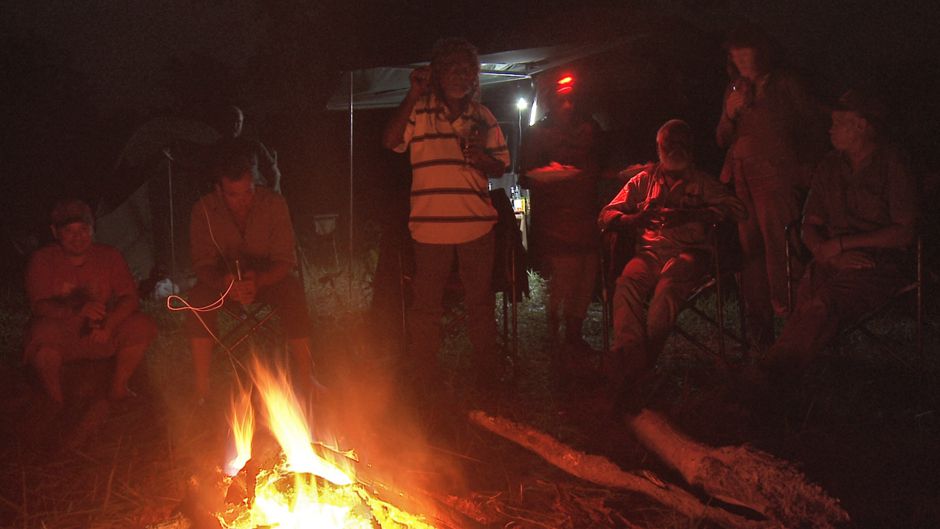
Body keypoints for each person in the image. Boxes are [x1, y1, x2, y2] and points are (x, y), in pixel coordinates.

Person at [752, 90, 916, 383]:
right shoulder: (830, 165)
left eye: (838, 122)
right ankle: (796, 380)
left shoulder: (893, 164)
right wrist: (826, 251)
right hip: (829, 258)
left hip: (876, 264)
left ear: (861, 126)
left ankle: (769, 379)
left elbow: (904, 231)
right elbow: (808, 224)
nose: (830, 129)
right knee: (804, 307)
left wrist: (842, 245)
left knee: (821, 306)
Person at [382, 37, 510, 390]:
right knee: (427, 308)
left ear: (475, 77)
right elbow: (391, 141)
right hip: (430, 229)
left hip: (476, 227)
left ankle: (487, 375)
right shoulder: (419, 111)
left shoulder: (483, 117)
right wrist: (412, 94)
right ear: (438, 73)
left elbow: (500, 166)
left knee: (480, 304)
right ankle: (426, 377)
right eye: (452, 68)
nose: (460, 75)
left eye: (467, 70)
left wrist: (482, 159)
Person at [598, 120, 746, 402]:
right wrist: (633, 218)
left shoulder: (701, 182)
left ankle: (637, 366)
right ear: (659, 148)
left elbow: (738, 210)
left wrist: (694, 214)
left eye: (680, 143)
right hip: (650, 253)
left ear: (689, 148)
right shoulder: (643, 181)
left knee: (667, 287)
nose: (674, 149)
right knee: (627, 282)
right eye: (669, 144)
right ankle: (632, 355)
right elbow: (606, 215)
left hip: (690, 252)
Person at [716, 25, 828, 348]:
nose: (739, 58)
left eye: (744, 50)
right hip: (742, 179)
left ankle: (795, 325)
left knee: (782, 247)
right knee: (751, 254)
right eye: (734, 53)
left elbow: (813, 127)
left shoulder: (785, 85)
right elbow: (721, 138)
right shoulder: (734, 88)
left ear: (761, 52)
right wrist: (728, 113)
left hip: (777, 178)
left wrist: (804, 169)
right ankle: (760, 328)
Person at [186, 155, 311, 400]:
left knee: (293, 291)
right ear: (219, 191)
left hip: (266, 277)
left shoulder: (273, 204)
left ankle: (308, 377)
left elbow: (285, 260)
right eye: (234, 195)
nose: (243, 201)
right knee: (198, 298)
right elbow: (201, 264)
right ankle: (202, 384)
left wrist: (260, 280)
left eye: (248, 192)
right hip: (223, 280)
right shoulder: (203, 210)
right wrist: (224, 283)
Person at [24, 198, 157, 404]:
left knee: (141, 325)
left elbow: (130, 297)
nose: (78, 237)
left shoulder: (109, 256)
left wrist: (110, 324)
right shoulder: (43, 260)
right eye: (69, 231)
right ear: (55, 232)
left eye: (84, 229)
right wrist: (77, 310)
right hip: (63, 336)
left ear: (93, 229)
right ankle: (56, 400)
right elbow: (39, 304)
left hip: (100, 333)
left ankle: (118, 389)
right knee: (41, 333)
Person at [521, 73, 603, 358]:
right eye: (560, 99)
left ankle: (574, 334)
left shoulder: (589, 127)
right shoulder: (537, 133)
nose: (566, 104)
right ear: (549, 102)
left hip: (586, 211)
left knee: (587, 272)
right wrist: (547, 175)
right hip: (555, 216)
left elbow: (601, 165)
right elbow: (526, 175)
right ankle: (553, 332)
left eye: (570, 98)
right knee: (565, 275)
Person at [208, 105, 281, 193]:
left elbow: (274, 173)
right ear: (224, 123)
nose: (235, 125)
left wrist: (270, 195)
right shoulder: (215, 150)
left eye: (238, 122)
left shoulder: (253, 146)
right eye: (231, 121)